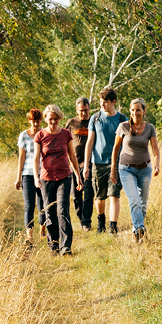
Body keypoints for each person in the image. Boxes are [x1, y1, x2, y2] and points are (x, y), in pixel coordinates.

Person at [34, 104, 84, 255]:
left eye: (56, 119)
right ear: (46, 119)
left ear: (60, 118)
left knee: (63, 210)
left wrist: (78, 176)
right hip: (46, 179)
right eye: (51, 119)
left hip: (64, 177)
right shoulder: (40, 136)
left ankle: (66, 246)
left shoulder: (66, 134)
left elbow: (72, 156)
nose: (53, 122)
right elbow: (36, 158)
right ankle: (53, 245)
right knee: (49, 212)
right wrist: (36, 177)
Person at [111, 97, 160, 243]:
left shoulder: (150, 128)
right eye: (132, 110)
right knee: (135, 201)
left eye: (138, 110)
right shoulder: (123, 127)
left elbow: (155, 150)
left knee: (143, 203)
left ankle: (135, 229)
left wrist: (157, 164)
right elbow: (115, 149)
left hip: (145, 169)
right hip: (126, 169)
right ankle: (140, 230)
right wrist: (113, 169)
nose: (135, 113)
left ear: (144, 111)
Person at [85, 87, 127, 234]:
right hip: (98, 162)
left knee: (114, 194)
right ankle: (101, 220)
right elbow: (90, 142)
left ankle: (112, 226)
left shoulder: (122, 120)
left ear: (113, 102)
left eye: (105, 102)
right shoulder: (95, 118)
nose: (102, 105)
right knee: (100, 196)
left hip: (116, 163)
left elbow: (128, 142)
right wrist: (87, 164)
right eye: (101, 102)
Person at [15, 109, 45, 242]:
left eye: (38, 121)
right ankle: (29, 235)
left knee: (43, 203)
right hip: (27, 174)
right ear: (29, 120)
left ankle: (42, 229)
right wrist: (18, 177)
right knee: (29, 205)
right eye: (33, 121)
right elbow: (21, 158)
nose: (35, 124)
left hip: (43, 173)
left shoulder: (45, 134)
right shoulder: (23, 136)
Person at [66, 97, 92, 228]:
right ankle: (80, 217)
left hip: (89, 164)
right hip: (74, 165)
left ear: (89, 109)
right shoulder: (71, 123)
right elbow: (64, 140)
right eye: (81, 110)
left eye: (86, 110)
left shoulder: (93, 122)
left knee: (88, 193)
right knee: (76, 195)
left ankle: (86, 222)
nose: (84, 113)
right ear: (77, 110)